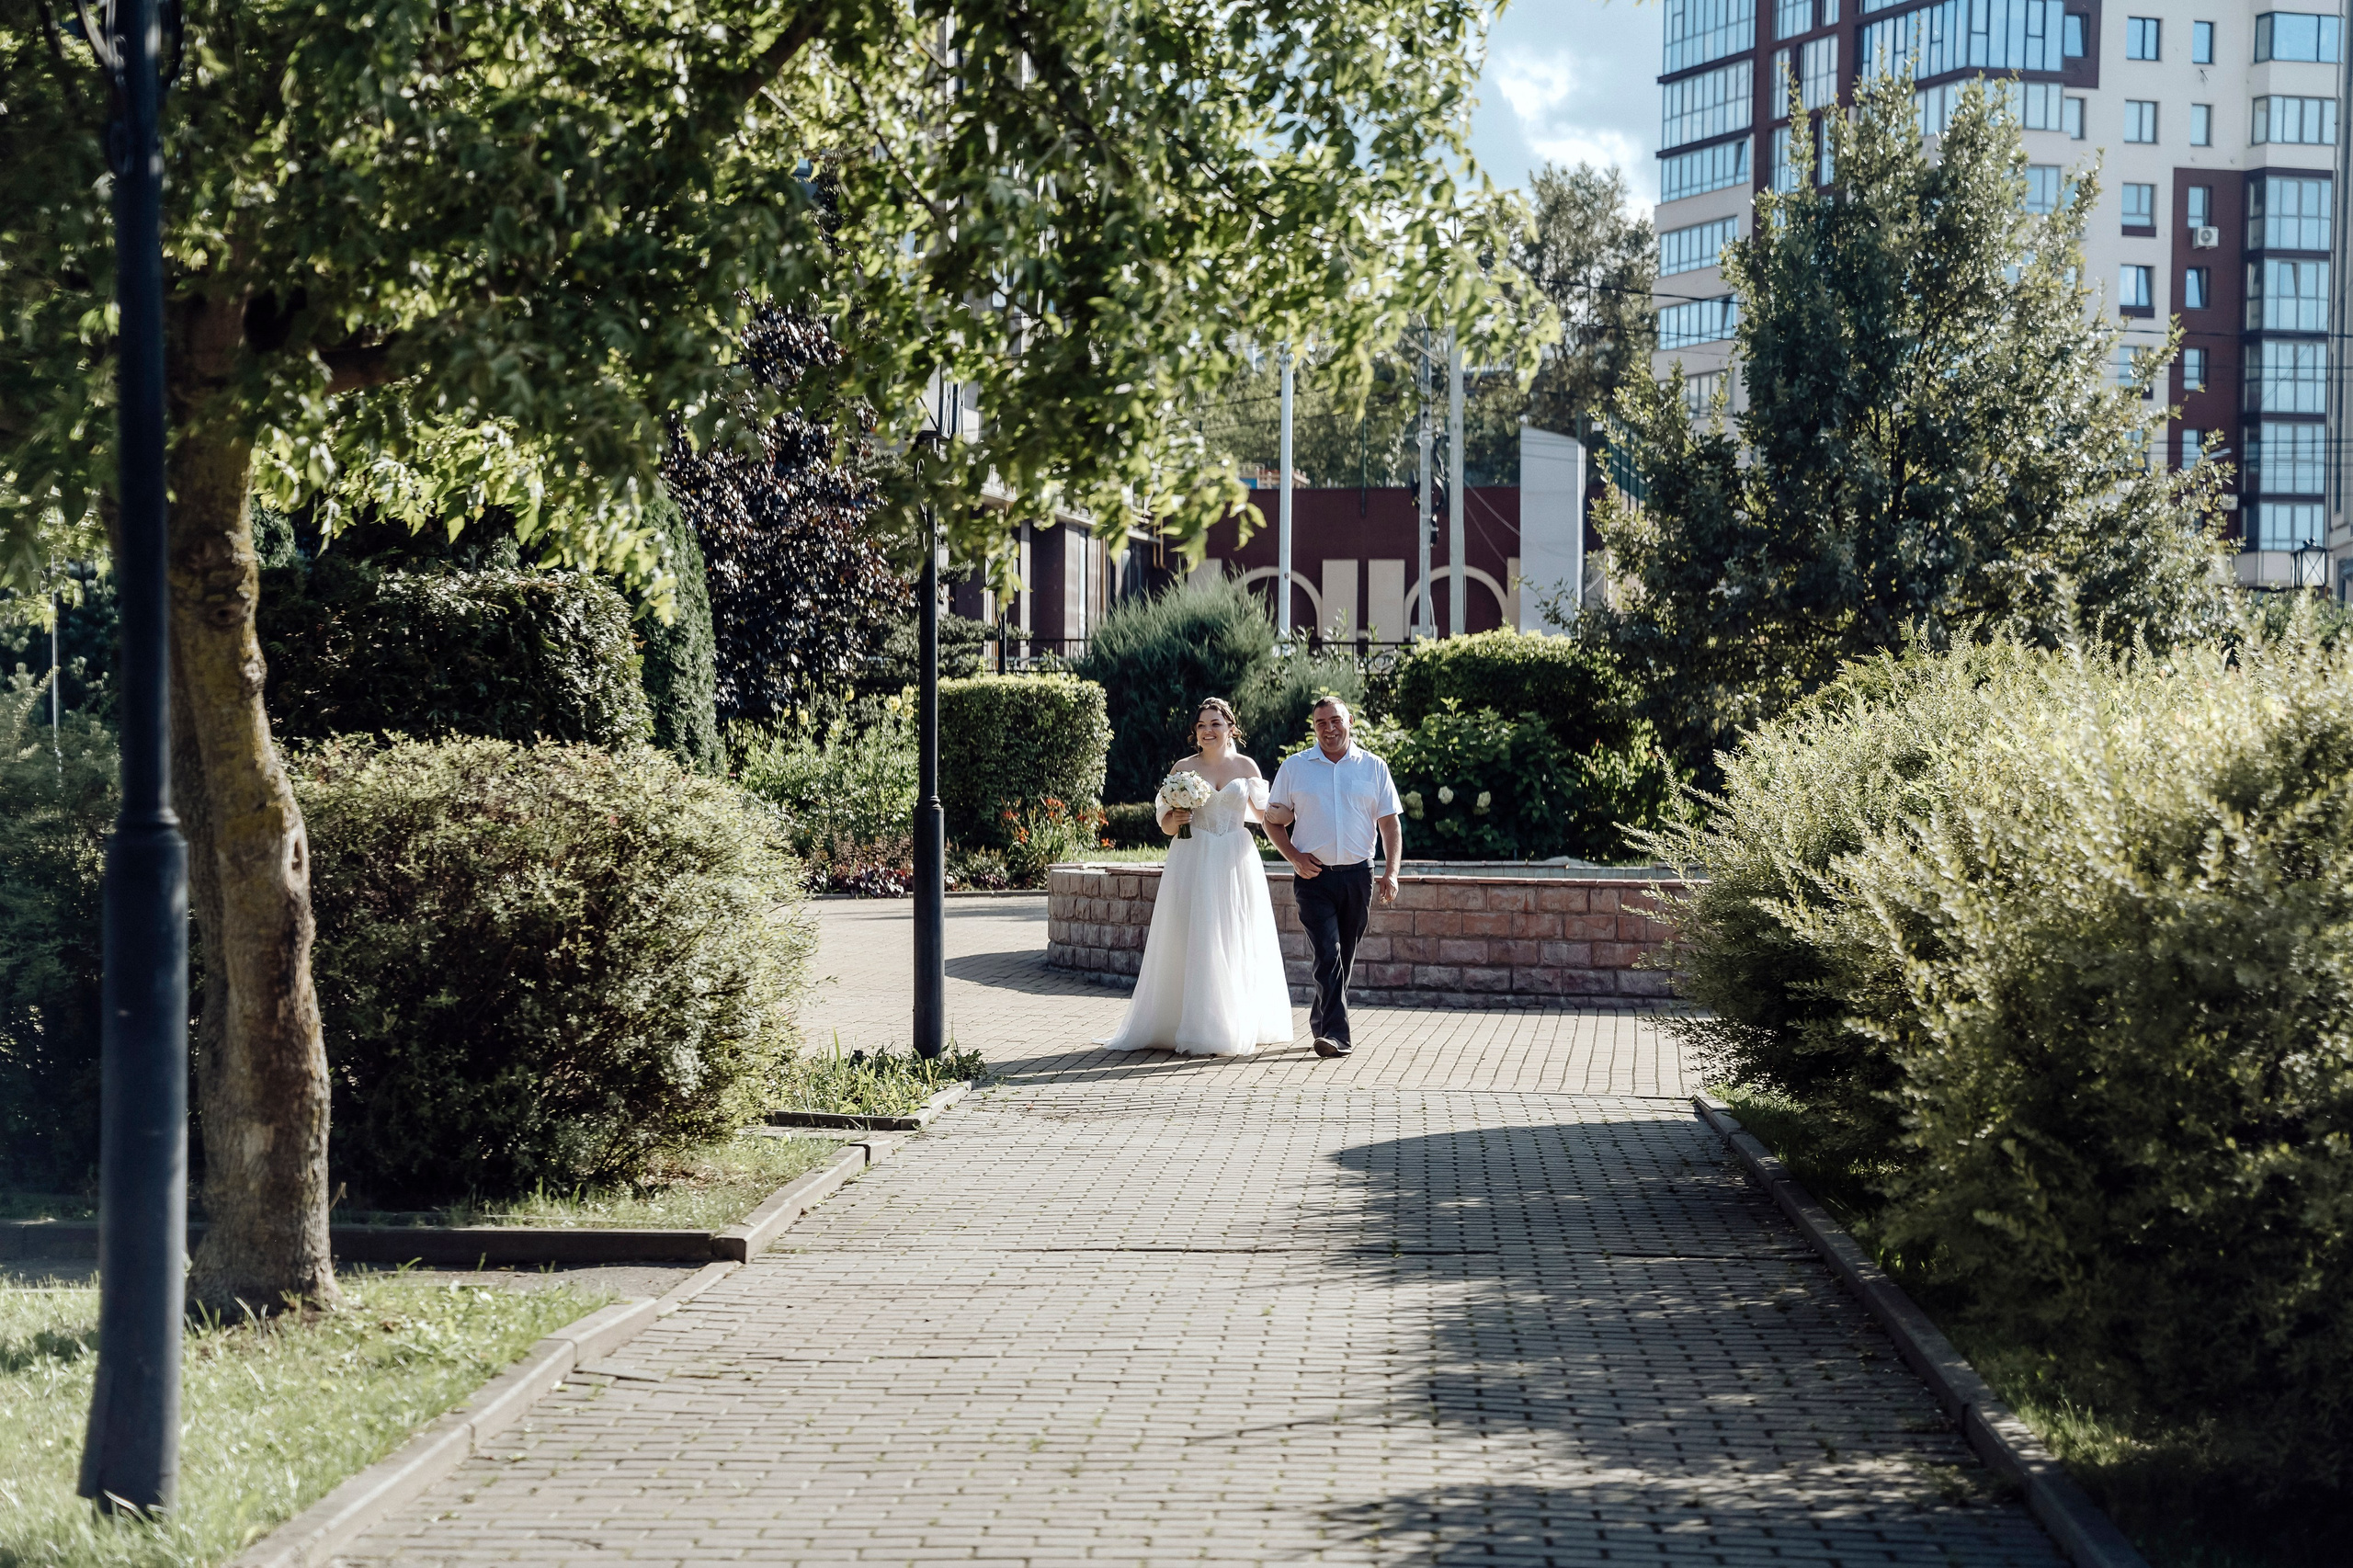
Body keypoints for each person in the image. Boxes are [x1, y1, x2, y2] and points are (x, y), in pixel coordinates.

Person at [1097, 698, 1294, 1056]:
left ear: (1230, 728)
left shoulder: (1246, 766)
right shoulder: (1184, 768)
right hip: (1193, 856)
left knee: (1233, 933)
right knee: (1193, 934)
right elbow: (1166, 825)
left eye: (1215, 724)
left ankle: (1231, 1021)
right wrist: (1176, 819)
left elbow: (1264, 815)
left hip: (1234, 858)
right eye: (1202, 725)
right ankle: (1186, 1023)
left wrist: (1291, 814)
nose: (1208, 731)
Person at [1262, 697, 1402, 1058]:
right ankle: (1338, 1036)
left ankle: (1322, 1022)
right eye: (1321, 723)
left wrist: (1391, 872)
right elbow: (1271, 821)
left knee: (1343, 957)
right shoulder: (1295, 767)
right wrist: (1294, 857)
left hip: (1359, 876)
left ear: (1349, 721)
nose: (1329, 728)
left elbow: (1390, 824)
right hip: (1313, 878)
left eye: (1335, 720)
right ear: (1314, 727)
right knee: (1328, 953)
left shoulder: (1373, 767)